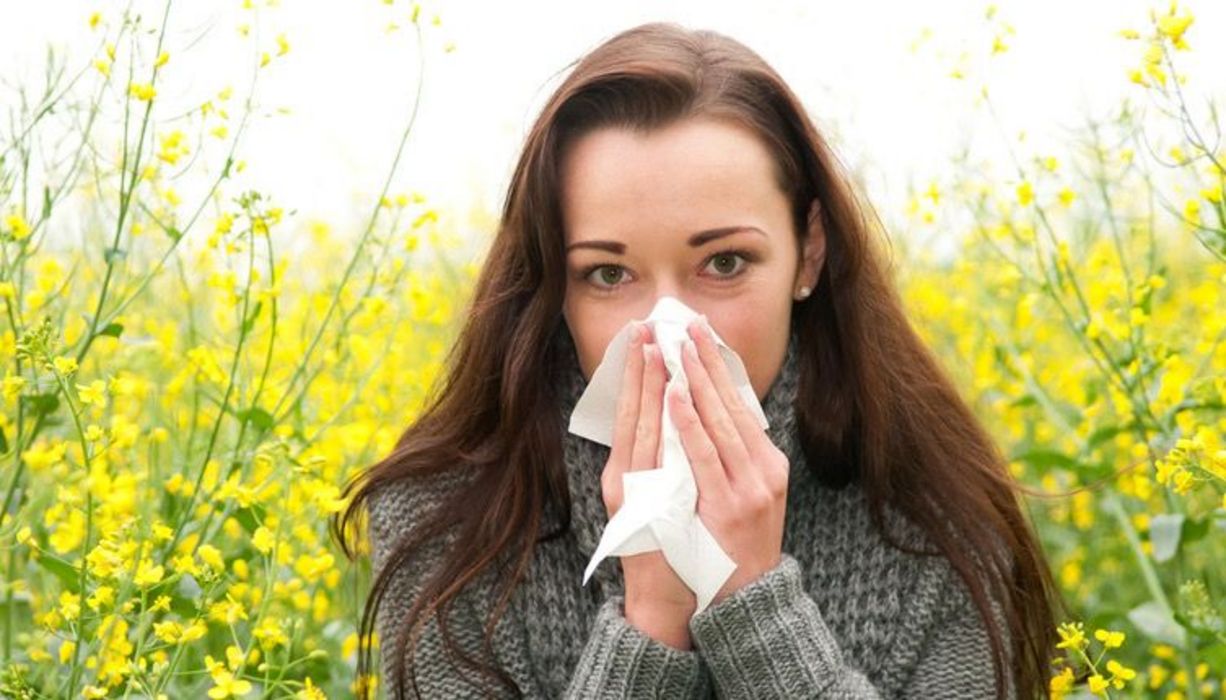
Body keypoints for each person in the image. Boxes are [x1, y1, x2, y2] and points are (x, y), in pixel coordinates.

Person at [335, 20, 1063, 700]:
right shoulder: (449, 525)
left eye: (724, 263)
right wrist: (652, 619)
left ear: (808, 252)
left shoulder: (936, 519)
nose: (668, 327)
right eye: (608, 275)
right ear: (557, 285)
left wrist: (753, 606)